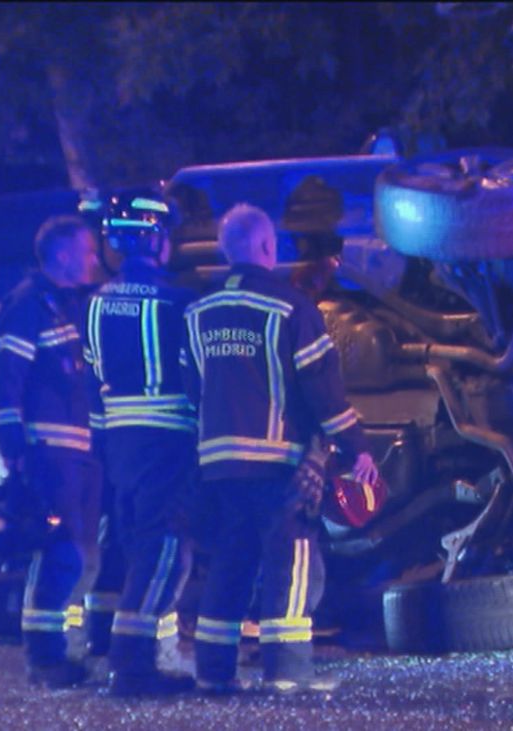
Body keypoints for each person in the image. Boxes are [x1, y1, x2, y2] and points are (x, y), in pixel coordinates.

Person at [181, 203, 379, 695]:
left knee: (230, 562)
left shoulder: (196, 313)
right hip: (279, 464)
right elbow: (323, 391)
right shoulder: (292, 309)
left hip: (220, 466)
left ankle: (213, 671)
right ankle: (287, 672)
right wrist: (357, 450)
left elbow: (191, 387)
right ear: (269, 248)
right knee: (288, 561)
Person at [83, 188, 201, 697]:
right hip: (168, 440)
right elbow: (193, 377)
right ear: (156, 242)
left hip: (118, 446)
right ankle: (133, 667)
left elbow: (92, 381)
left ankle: (127, 657)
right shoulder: (176, 302)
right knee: (165, 550)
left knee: (133, 544)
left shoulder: (95, 303)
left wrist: (101, 442)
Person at [0, 214, 103, 688]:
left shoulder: (69, 305)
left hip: (78, 455)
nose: (96, 258)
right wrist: (15, 448)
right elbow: (3, 385)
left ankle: (60, 655)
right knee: (63, 556)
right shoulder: (27, 307)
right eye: (88, 250)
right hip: (49, 454)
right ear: (62, 255)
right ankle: (46, 659)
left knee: (77, 558)